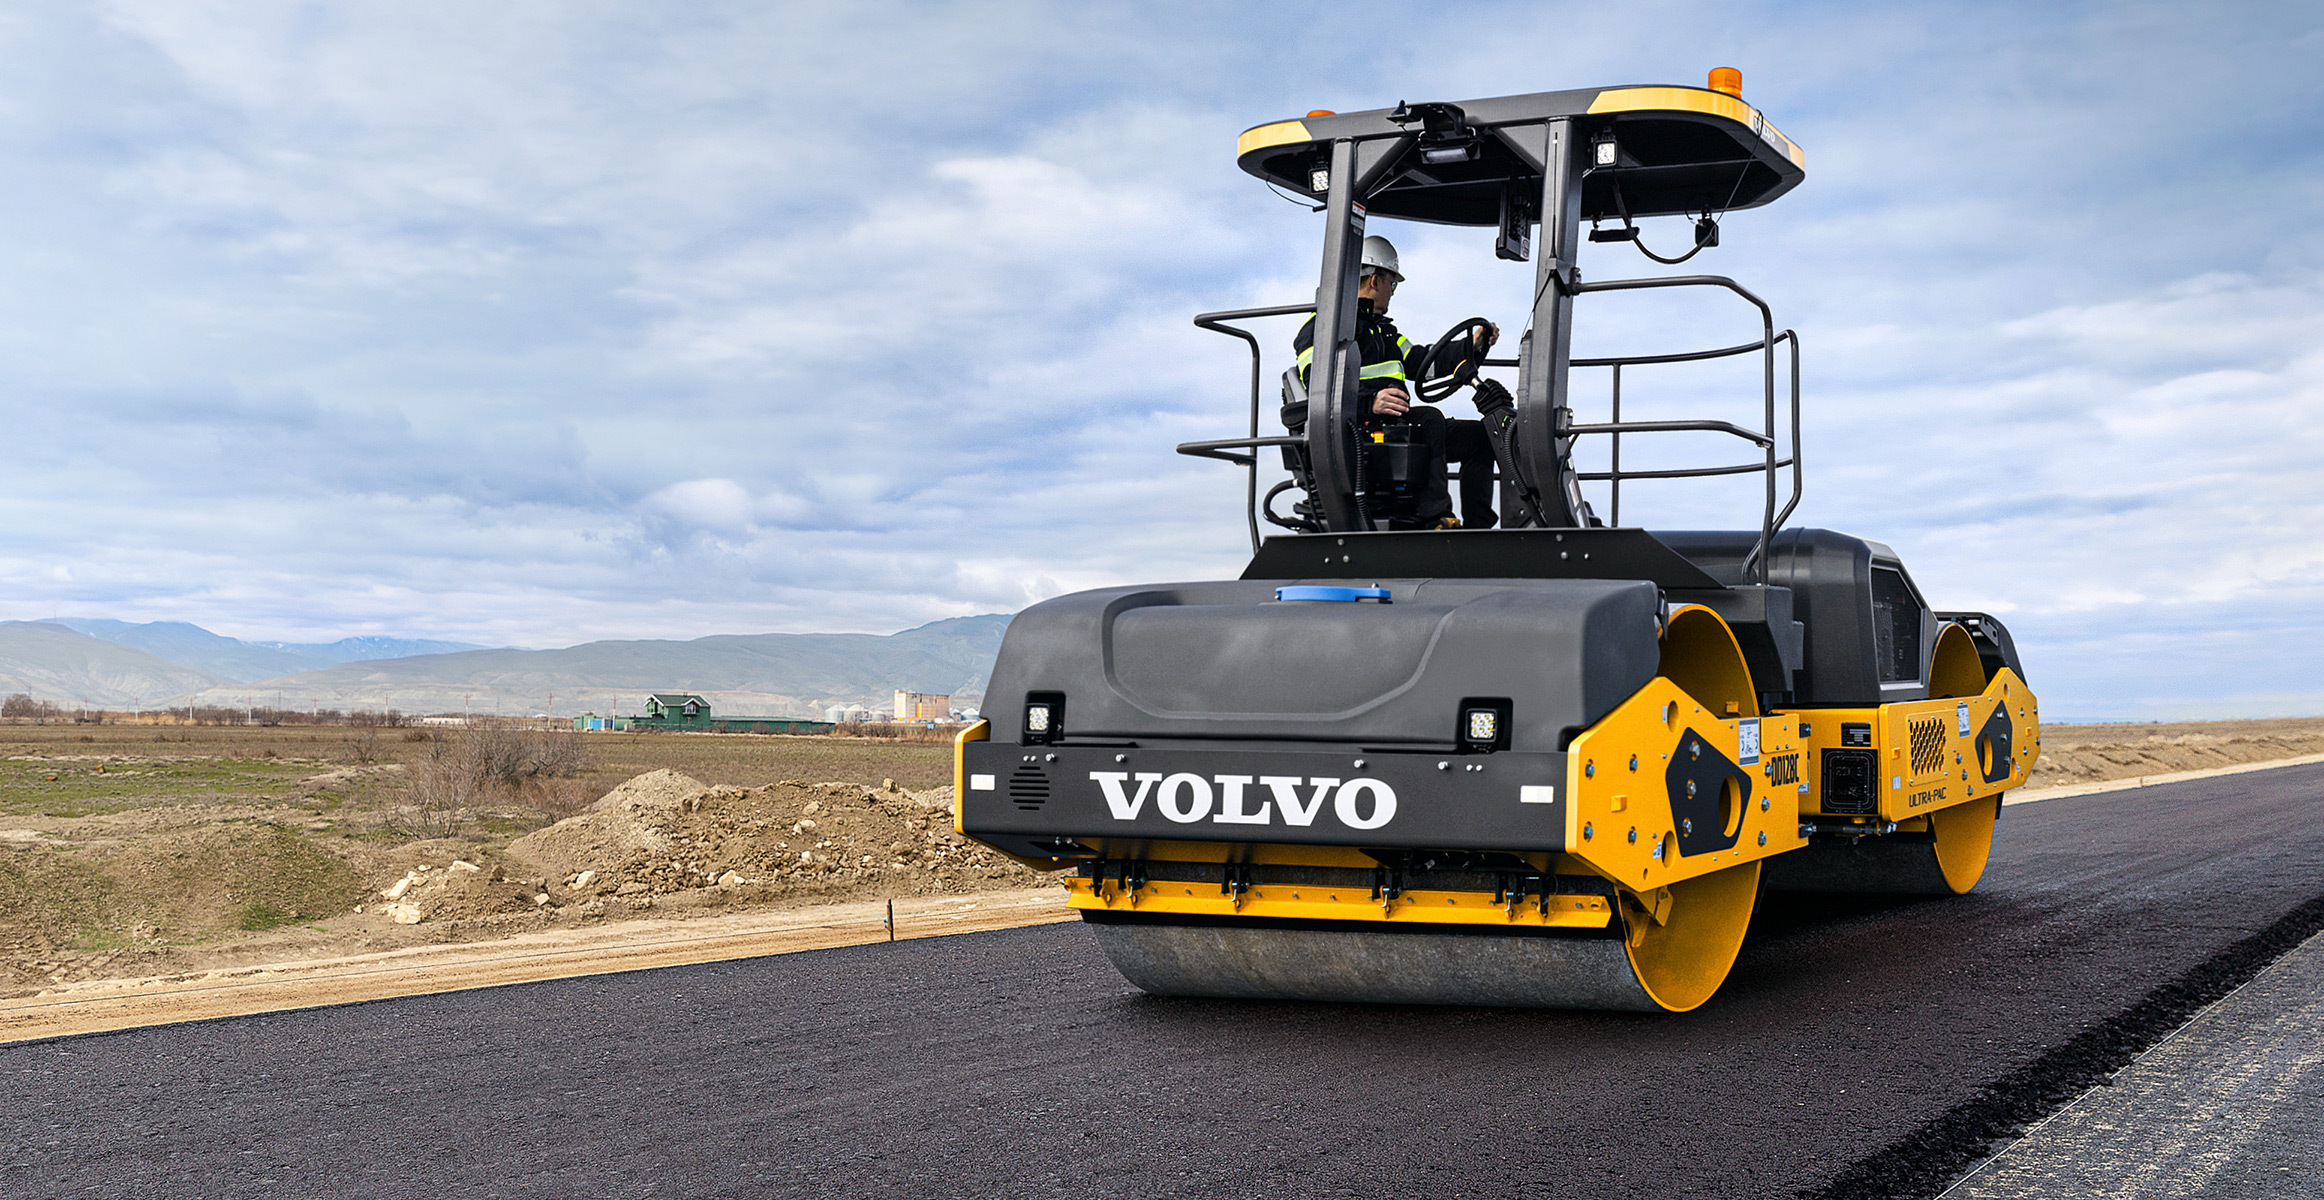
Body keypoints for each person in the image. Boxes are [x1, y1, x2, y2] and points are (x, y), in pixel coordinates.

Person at [1291, 235, 1498, 528]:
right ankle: (1436, 518)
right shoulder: (1324, 327)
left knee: (1481, 436)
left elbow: (1423, 363)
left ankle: (1479, 527)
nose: (1392, 292)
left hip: (1397, 426)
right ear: (1375, 280)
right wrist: (1370, 402)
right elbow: (1317, 387)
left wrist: (1471, 347)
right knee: (1428, 419)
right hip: (1359, 430)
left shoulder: (1385, 332)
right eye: (1392, 283)